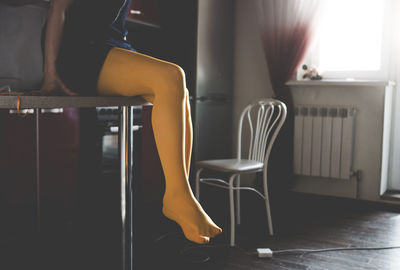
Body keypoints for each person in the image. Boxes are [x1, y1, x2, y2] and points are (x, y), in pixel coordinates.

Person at [38, 0, 222, 244]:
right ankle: (177, 196)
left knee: (180, 90)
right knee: (172, 76)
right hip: (80, 52)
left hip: (113, 47)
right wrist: (51, 73)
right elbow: (57, 9)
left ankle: (181, 194)